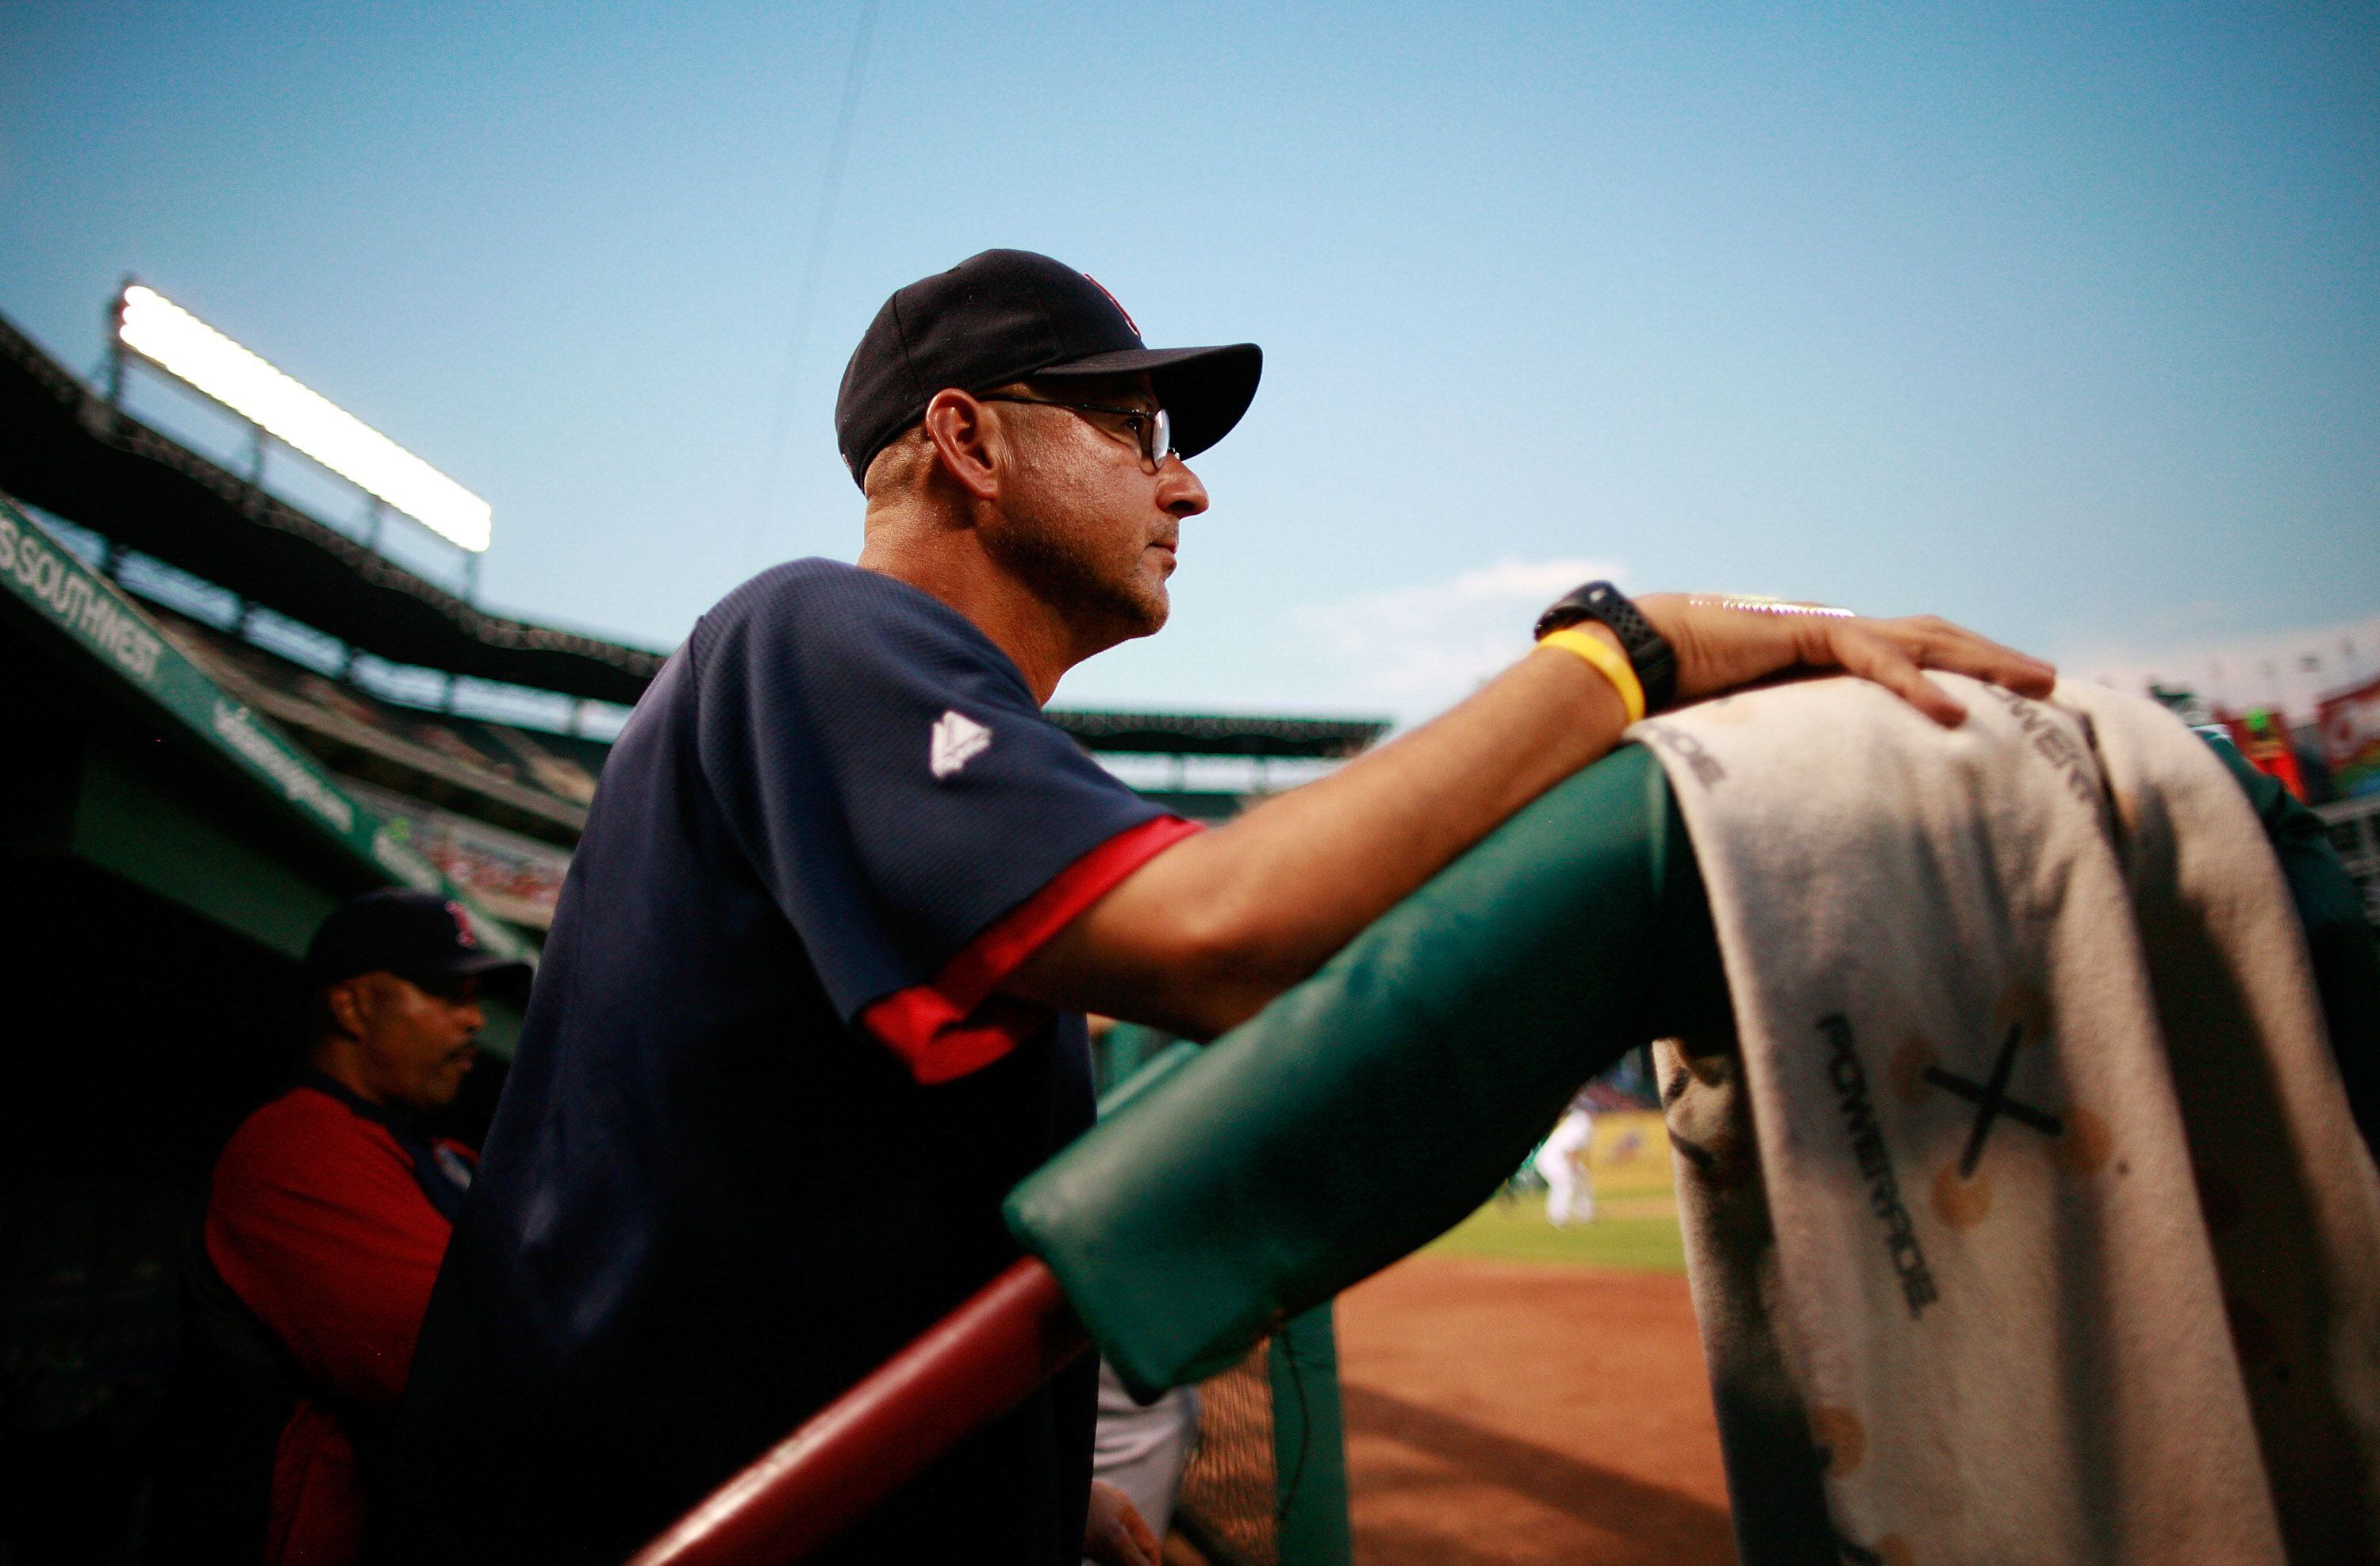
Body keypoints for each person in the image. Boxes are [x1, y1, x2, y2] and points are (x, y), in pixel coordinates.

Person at [385, 248, 2055, 1564]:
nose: (1186, 488)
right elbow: (1225, 934)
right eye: (1137, 433)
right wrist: (1635, 650)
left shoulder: (904, 712)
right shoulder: (813, 631)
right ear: (967, 437)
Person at [144, 889, 522, 1564]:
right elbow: (477, 1368)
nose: (472, 1020)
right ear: (350, 1006)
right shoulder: (296, 1146)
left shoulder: (439, 1154)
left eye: (473, 997)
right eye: (443, 992)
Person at [1534, 1089, 1599, 1226]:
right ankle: (1559, 1216)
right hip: (1550, 1159)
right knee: (1564, 1182)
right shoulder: (1582, 1123)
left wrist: (1579, 1168)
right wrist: (1573, 1168)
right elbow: (1571, 1150)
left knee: (1582, 1177)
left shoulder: (1581, 1122)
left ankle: (1585, 1213)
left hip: (1559, 1158)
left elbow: (1580, 1151)